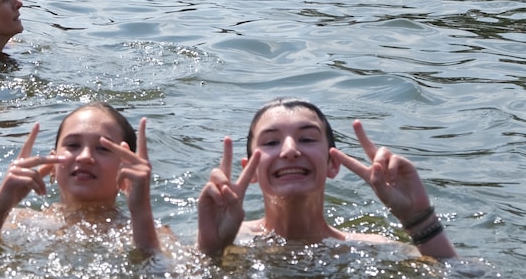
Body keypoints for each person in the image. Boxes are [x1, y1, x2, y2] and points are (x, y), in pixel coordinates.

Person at [196, 98, 458, 261]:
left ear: (333, 164)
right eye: (271, 142)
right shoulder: (224, 238)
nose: (290, 150)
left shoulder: (370, 250)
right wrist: (211, 251)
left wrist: (420, 219)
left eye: (307, 138)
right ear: (250, 172)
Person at [0, 103, 165, 260]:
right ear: (52, 166)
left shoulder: (151, 232)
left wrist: (141, 212)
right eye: (73, 145)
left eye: (103, 148)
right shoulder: (19, 220)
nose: (84, 157)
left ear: (128, 167)